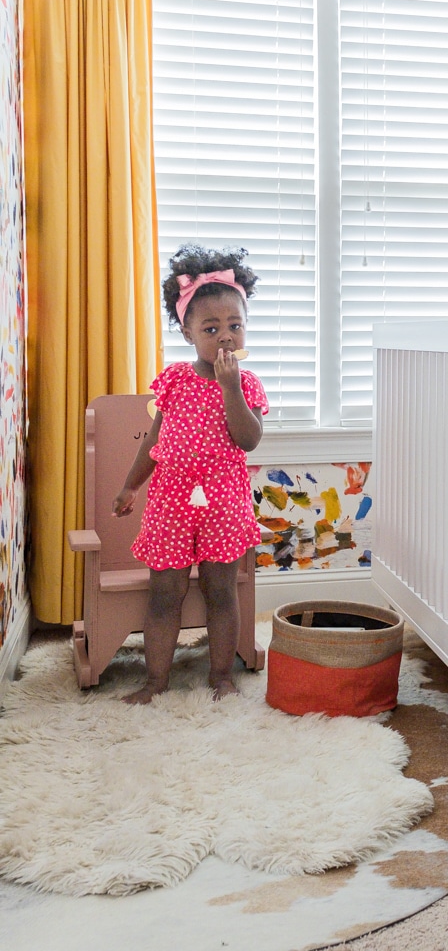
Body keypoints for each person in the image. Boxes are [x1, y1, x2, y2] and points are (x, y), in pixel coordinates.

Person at [112, 244, 268, 704]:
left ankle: (221, 675)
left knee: (222, 590)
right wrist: (129, 485)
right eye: (211, 327)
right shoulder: (174, 381)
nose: (224, 336)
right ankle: (154, 680)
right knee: (165, 592)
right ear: (187, 332)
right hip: (170, 504)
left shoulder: (247, 383)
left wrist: (230, 388)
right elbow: (154, 443)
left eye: (234, 326)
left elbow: (248, 439)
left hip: (222, 506)